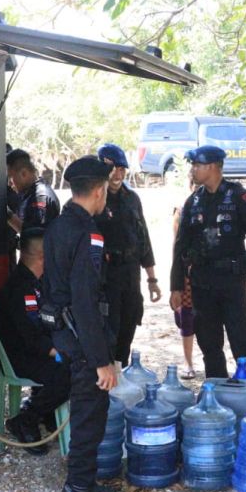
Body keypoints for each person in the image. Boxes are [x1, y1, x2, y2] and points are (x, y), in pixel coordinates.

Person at [42, 155, 124, 492]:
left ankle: (79, 488)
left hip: (65, 334)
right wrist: (101, 360)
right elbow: (86, 300)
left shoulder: (58, 226)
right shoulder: (88, 232)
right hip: (82, 338)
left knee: (84, 418)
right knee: (89, 424)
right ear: (98, 189)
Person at [170, 145, 246, 383]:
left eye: (197, 165)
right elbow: (180, 247)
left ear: (213, 167)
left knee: (241, 341)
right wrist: (176, 286)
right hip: (202, 283)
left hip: (232, 283)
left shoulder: (241, 198)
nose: (193, 170)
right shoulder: (193, 202)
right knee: (209, 343)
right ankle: (216, 394)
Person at [0, 227, 70, 456]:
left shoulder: (37, 282)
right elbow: (29, 336)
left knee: (74, 364)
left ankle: (45, 412)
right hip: (21, 357)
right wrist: (57, 352)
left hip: (36, 350)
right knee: (68, 372)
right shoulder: (20, 286)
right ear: (42, 255)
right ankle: (26, 419)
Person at [94, 143, 159, 364]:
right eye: (113, 169)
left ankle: (120, 376)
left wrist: (152, 278)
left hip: (130, 275)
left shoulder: (132, 198)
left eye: (122, 169)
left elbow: (143, 238)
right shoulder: (94, 198)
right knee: (107, 331)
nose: (117, 174)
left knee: (127, 327)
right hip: (105, 276)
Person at [171, 171, 198, 379]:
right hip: (188, 274)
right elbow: (177, 247)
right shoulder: (182, 210)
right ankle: (189, 363)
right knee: (186, 320)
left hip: (211, 273)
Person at [7, 149, 60, 238]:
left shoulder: (41, 196)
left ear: (23, 173)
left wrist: (8, 215)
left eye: (10, 178)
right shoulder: (27, 192)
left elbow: (36, 237)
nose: (9, 183)